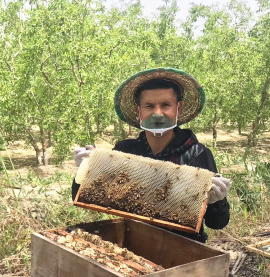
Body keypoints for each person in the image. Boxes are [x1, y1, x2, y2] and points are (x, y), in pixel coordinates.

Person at [72, 67, 230, 243]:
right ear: (139, 111)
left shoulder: (197, 154)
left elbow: (218, 223)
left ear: (178, 109)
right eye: (149, 106)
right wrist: (85, 171)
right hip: (133, 243)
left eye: (165, 105)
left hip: (182, 249)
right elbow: (86, 197)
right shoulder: (125, 150)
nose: (157, 113)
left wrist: (217, 201)